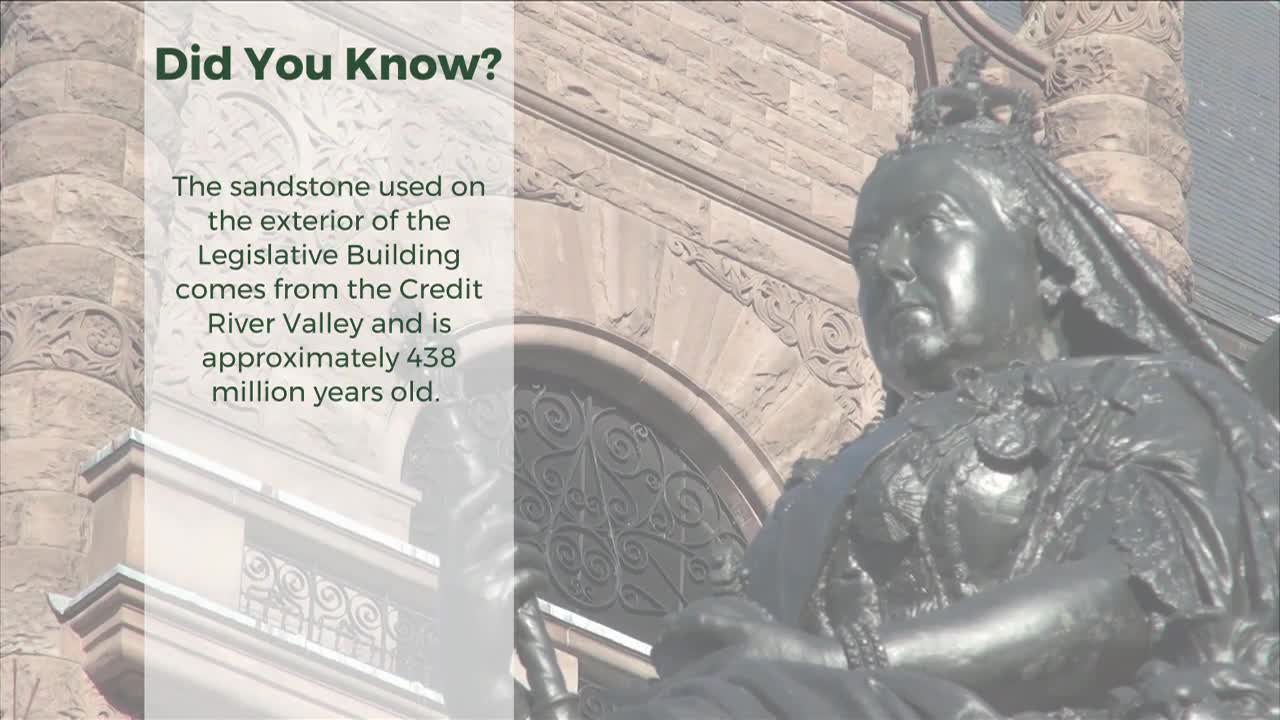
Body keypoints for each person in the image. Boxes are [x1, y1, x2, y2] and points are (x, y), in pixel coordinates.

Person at [507, 48, 1279, 720]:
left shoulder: (1148, 399)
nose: (891, 267)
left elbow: (1137, 595)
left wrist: (836, 662)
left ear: (1046, 263)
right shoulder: (818, 487)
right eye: (867, 251)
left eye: (930, 228)